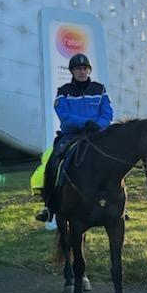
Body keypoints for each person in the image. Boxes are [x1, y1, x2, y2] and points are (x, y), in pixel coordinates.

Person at [35, 53, 113, 221]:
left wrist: (98, 126)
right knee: (54, 162)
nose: (82, 72)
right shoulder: (63, 92)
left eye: (85, 68)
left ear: (89, 70)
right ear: (72, 71)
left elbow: (107, 113)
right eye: (78, 69)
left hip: (97, 134)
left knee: (114, 160)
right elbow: (64, 116)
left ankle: (117, 204)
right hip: (71, 135)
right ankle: (49, 206)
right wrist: (86, 123)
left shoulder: (100, 89)